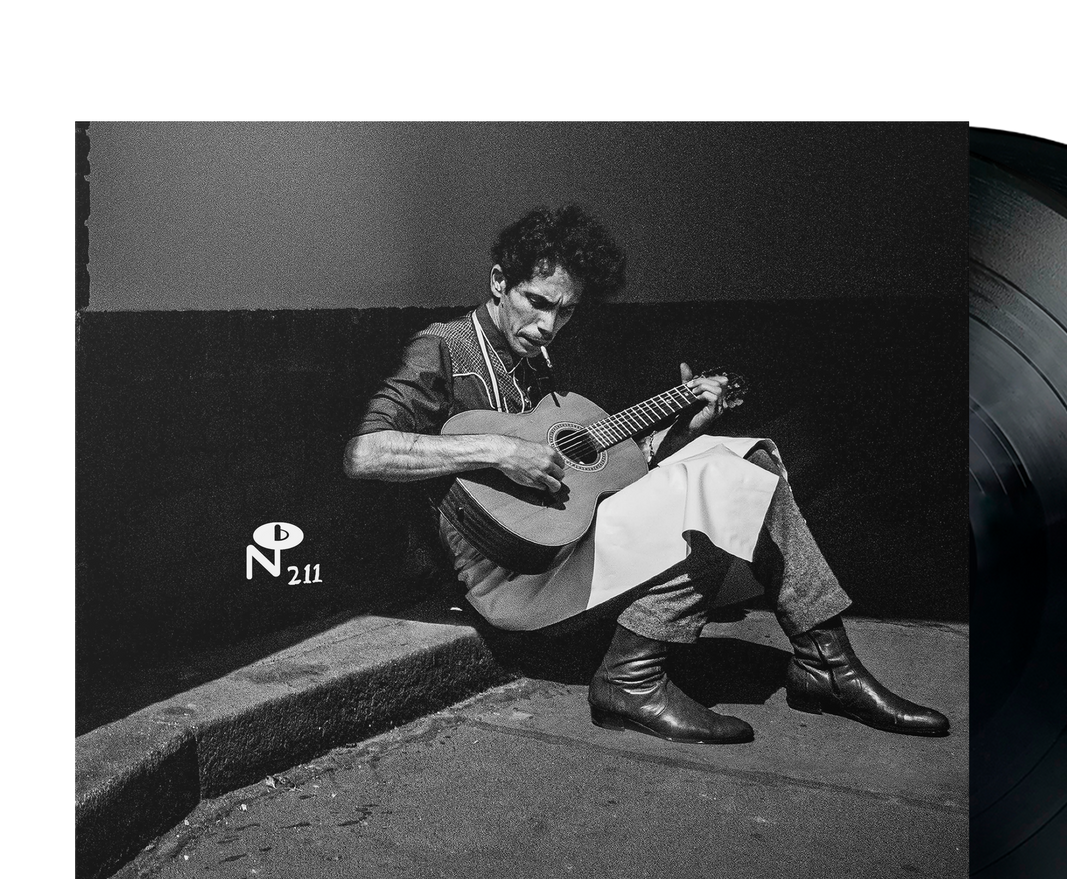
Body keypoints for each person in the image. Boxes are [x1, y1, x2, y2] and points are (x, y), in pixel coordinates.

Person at [343, 204, 948, 745]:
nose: (549, 325)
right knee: (714, 487)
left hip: (575, 543)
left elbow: (613, 472)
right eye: (538, 302)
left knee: (749, 460)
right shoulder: (444, 348)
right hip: (514, 578)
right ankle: (630, 680)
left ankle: (826, 661)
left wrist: (686, 428)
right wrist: (496, 452)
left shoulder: (541, 362)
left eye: (567, 311)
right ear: (499, 281)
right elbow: (365, 454)